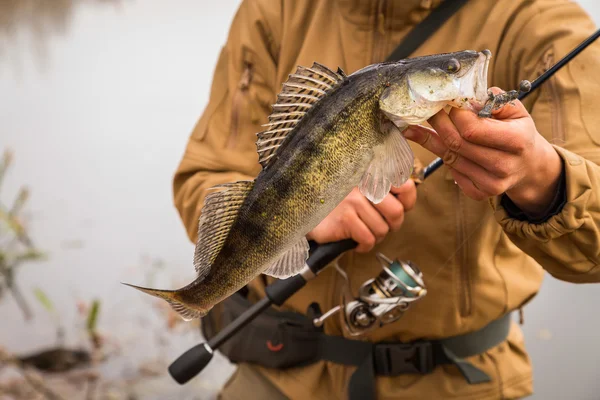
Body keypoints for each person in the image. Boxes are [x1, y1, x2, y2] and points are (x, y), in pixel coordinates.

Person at [172, 0, 600, 399]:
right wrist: (312, 210)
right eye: (451, 69)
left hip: (459, 382)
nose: (464, 70)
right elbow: (202, 176)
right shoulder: (277, 9)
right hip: (280, 370)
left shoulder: (541, 24)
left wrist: (545, 180)